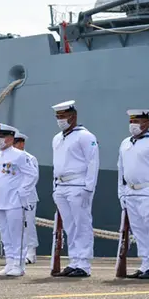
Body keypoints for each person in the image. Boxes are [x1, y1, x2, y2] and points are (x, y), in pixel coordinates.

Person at [116, 110, 149, 280]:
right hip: (131, 191)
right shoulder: (125, 143)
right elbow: (121, 169)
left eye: (137, 120)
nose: (133, 124)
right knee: (139, 230)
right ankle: (145, 263)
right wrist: (122, 193)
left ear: (146, 123)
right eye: (131, 120)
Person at [51, 100, 99, 277]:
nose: (60, 120)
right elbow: (56, 164)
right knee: (70, 226)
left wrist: (89, 187)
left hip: (78, 184)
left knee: (82, 224)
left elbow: (92, 162)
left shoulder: (85, 136)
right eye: (58, 117)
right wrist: (55, 187)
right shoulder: (57, 138)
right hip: (61, 186)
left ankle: (84, 264)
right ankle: (74, 260)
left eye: (63, 116)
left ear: (73, 116)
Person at [0, 124, 36, 276]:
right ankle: (9, 263)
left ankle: (19, 264)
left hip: (14, 201)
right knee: (5, 234)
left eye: (2, 137)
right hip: (0, 201)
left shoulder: (20, 156)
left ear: (11, 138)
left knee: (16, 234)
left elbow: (32, 174)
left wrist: (22, 191)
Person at [13, 131, 39, 264]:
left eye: (16, 142)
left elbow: (34, 178)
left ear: (22, 143)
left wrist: (23, 191)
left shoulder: (30, 158)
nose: (14, 145)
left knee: (28, 225)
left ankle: (31, 252)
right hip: (13, 198)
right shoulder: (10, 158)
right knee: (15, 225)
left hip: (28, 197)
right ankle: (17, 251)